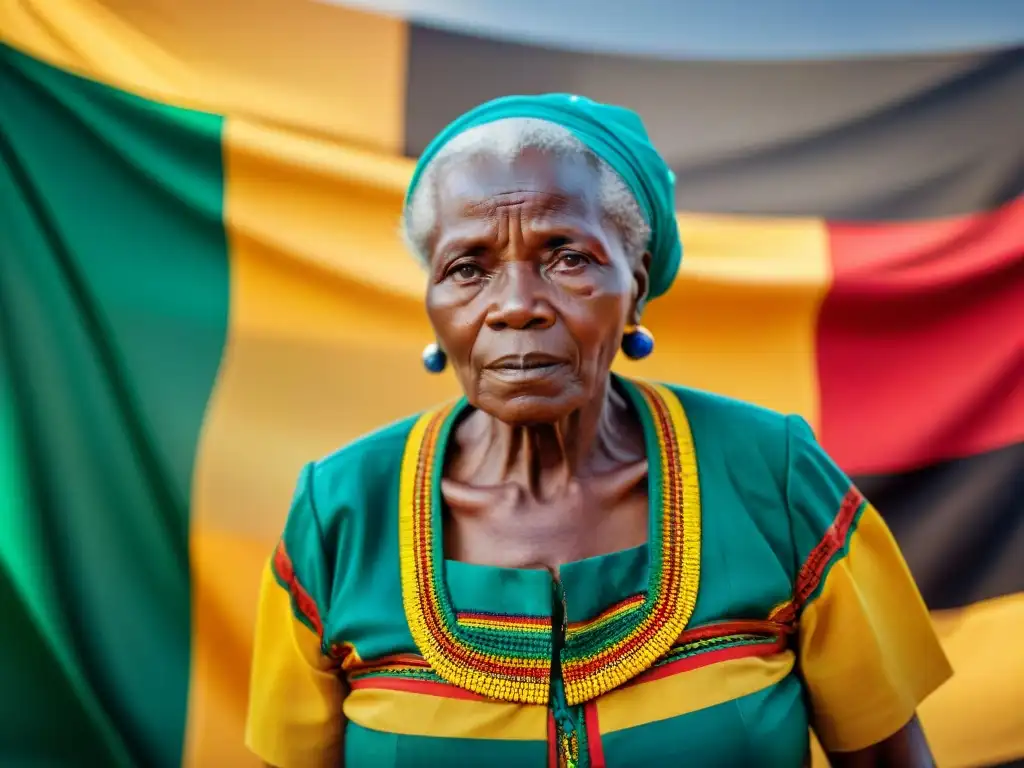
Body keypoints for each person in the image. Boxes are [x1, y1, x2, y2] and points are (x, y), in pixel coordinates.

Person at [244, 94, 952, 767]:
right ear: (431, 299)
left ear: (636, 284)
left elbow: (891, 758)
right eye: (468, 268)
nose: (517, 306)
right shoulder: (339, 510)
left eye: (567, 258)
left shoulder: (771, 474)